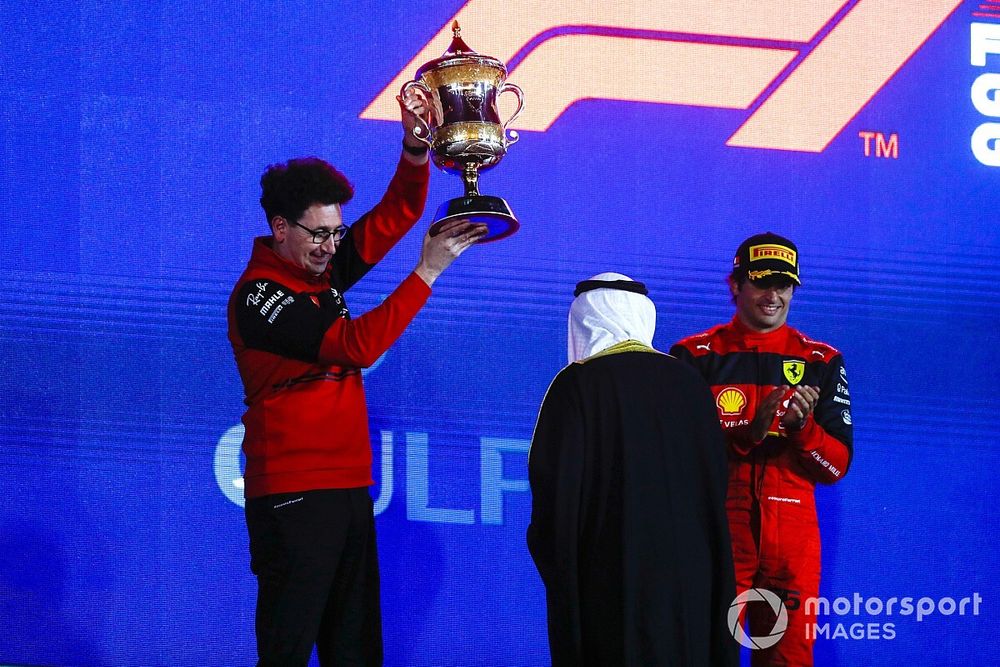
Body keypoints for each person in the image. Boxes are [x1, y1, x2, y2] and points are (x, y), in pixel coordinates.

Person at [227, 88, 487, 666]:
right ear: (280, 228)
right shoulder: (259, 296)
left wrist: (415, 153)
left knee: (355, 648)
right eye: (318, 234)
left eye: (336, 233)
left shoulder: (320, 274)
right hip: (293, 492)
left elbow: (397, 215)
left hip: (346, 486)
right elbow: (356, 346)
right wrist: (427, 272)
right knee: (287, 649)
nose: (331, 246)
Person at [527, 273, 738, 667]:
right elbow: (714, 487)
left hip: (608, 581)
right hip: (691, 582)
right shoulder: (690, 383)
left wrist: (560, 566)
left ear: (584, 320)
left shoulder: (577, 384)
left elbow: (554, 496)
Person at [670, 233, 854, 666]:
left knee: (787, 660)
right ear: (734, 285)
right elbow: (676, 457)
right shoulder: (694, 356)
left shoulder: (821, 361)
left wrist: (803, 431)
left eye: (784, 284)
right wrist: (745, 436)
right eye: (762, 282)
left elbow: (836, 467)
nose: (774, 295)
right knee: (704, 653)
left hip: (791, 539)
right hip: (715, 530)